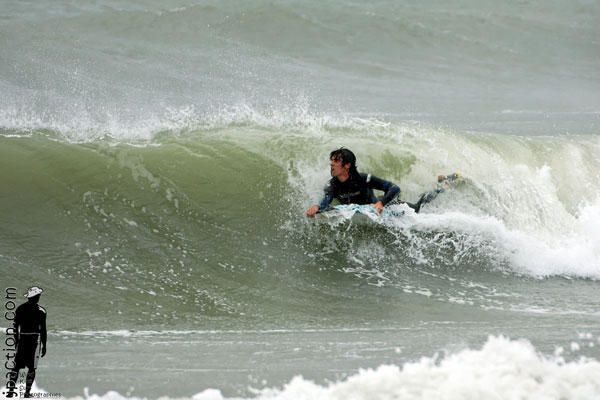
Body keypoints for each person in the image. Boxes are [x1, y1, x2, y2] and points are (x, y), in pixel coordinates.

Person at [6, 287, 47, 398]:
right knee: (32, 367)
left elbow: (15, 327)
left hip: (23, 338)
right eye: (38, 296)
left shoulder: (20, 309)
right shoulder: (41, 311)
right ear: (36, 297)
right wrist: (44, 345)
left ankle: (10, 391)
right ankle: (27, 393)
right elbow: (43, 329)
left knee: (16, 367)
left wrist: (16, 340)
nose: (39, 297)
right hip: (35, 340)